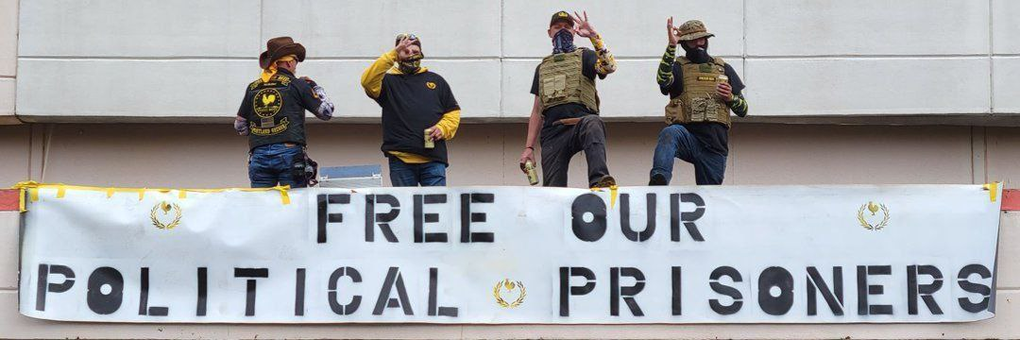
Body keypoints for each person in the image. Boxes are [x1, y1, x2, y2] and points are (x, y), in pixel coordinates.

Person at [519, 10, 618, 188]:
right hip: (553, 131)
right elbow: (536, 110)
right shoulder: (543, 67)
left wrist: (594, 36)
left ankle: (599, 182)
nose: (562, 30)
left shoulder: (585, 56)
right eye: (558, 27)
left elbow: (609, 67)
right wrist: (529, 148)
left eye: (567, 27)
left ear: (574, 32)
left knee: (593, 123)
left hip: (581, 123)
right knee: (552, 191)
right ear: (549, 32)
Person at [649, 19, 749, 186]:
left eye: (702, 38)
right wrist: (671, 46)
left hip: (715, 146)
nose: (699, 43)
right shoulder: (678, 67)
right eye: (693, 40)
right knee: (670, 132)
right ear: (685, 44)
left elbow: (744, 110)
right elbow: (663, 80)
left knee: (710, 200)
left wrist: (730, 98)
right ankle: (659, 181)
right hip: (688, 139)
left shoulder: (723, 68)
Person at [361, 34, 461, 187]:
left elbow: (453, 112)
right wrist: (392, 54)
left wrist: (442, 128)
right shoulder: (387, 82)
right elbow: (367, 81)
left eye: (415, 51)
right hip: (401, 160)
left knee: (436, 206)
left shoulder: (436, 81)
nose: (411, 55)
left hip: (433, 160)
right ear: (397, 55)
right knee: (405, 209)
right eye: (405, 51)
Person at [235, 37, 335, 188]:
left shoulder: (253, 87)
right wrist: (315, 87)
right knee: (293, 206)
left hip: (258, 155)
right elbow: (326, 112)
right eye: (295, 60)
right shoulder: (298, 84)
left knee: (261, 207)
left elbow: (240, 126)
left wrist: (263, 132)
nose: (296, 65)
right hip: (289, 154)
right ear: (289, 62)